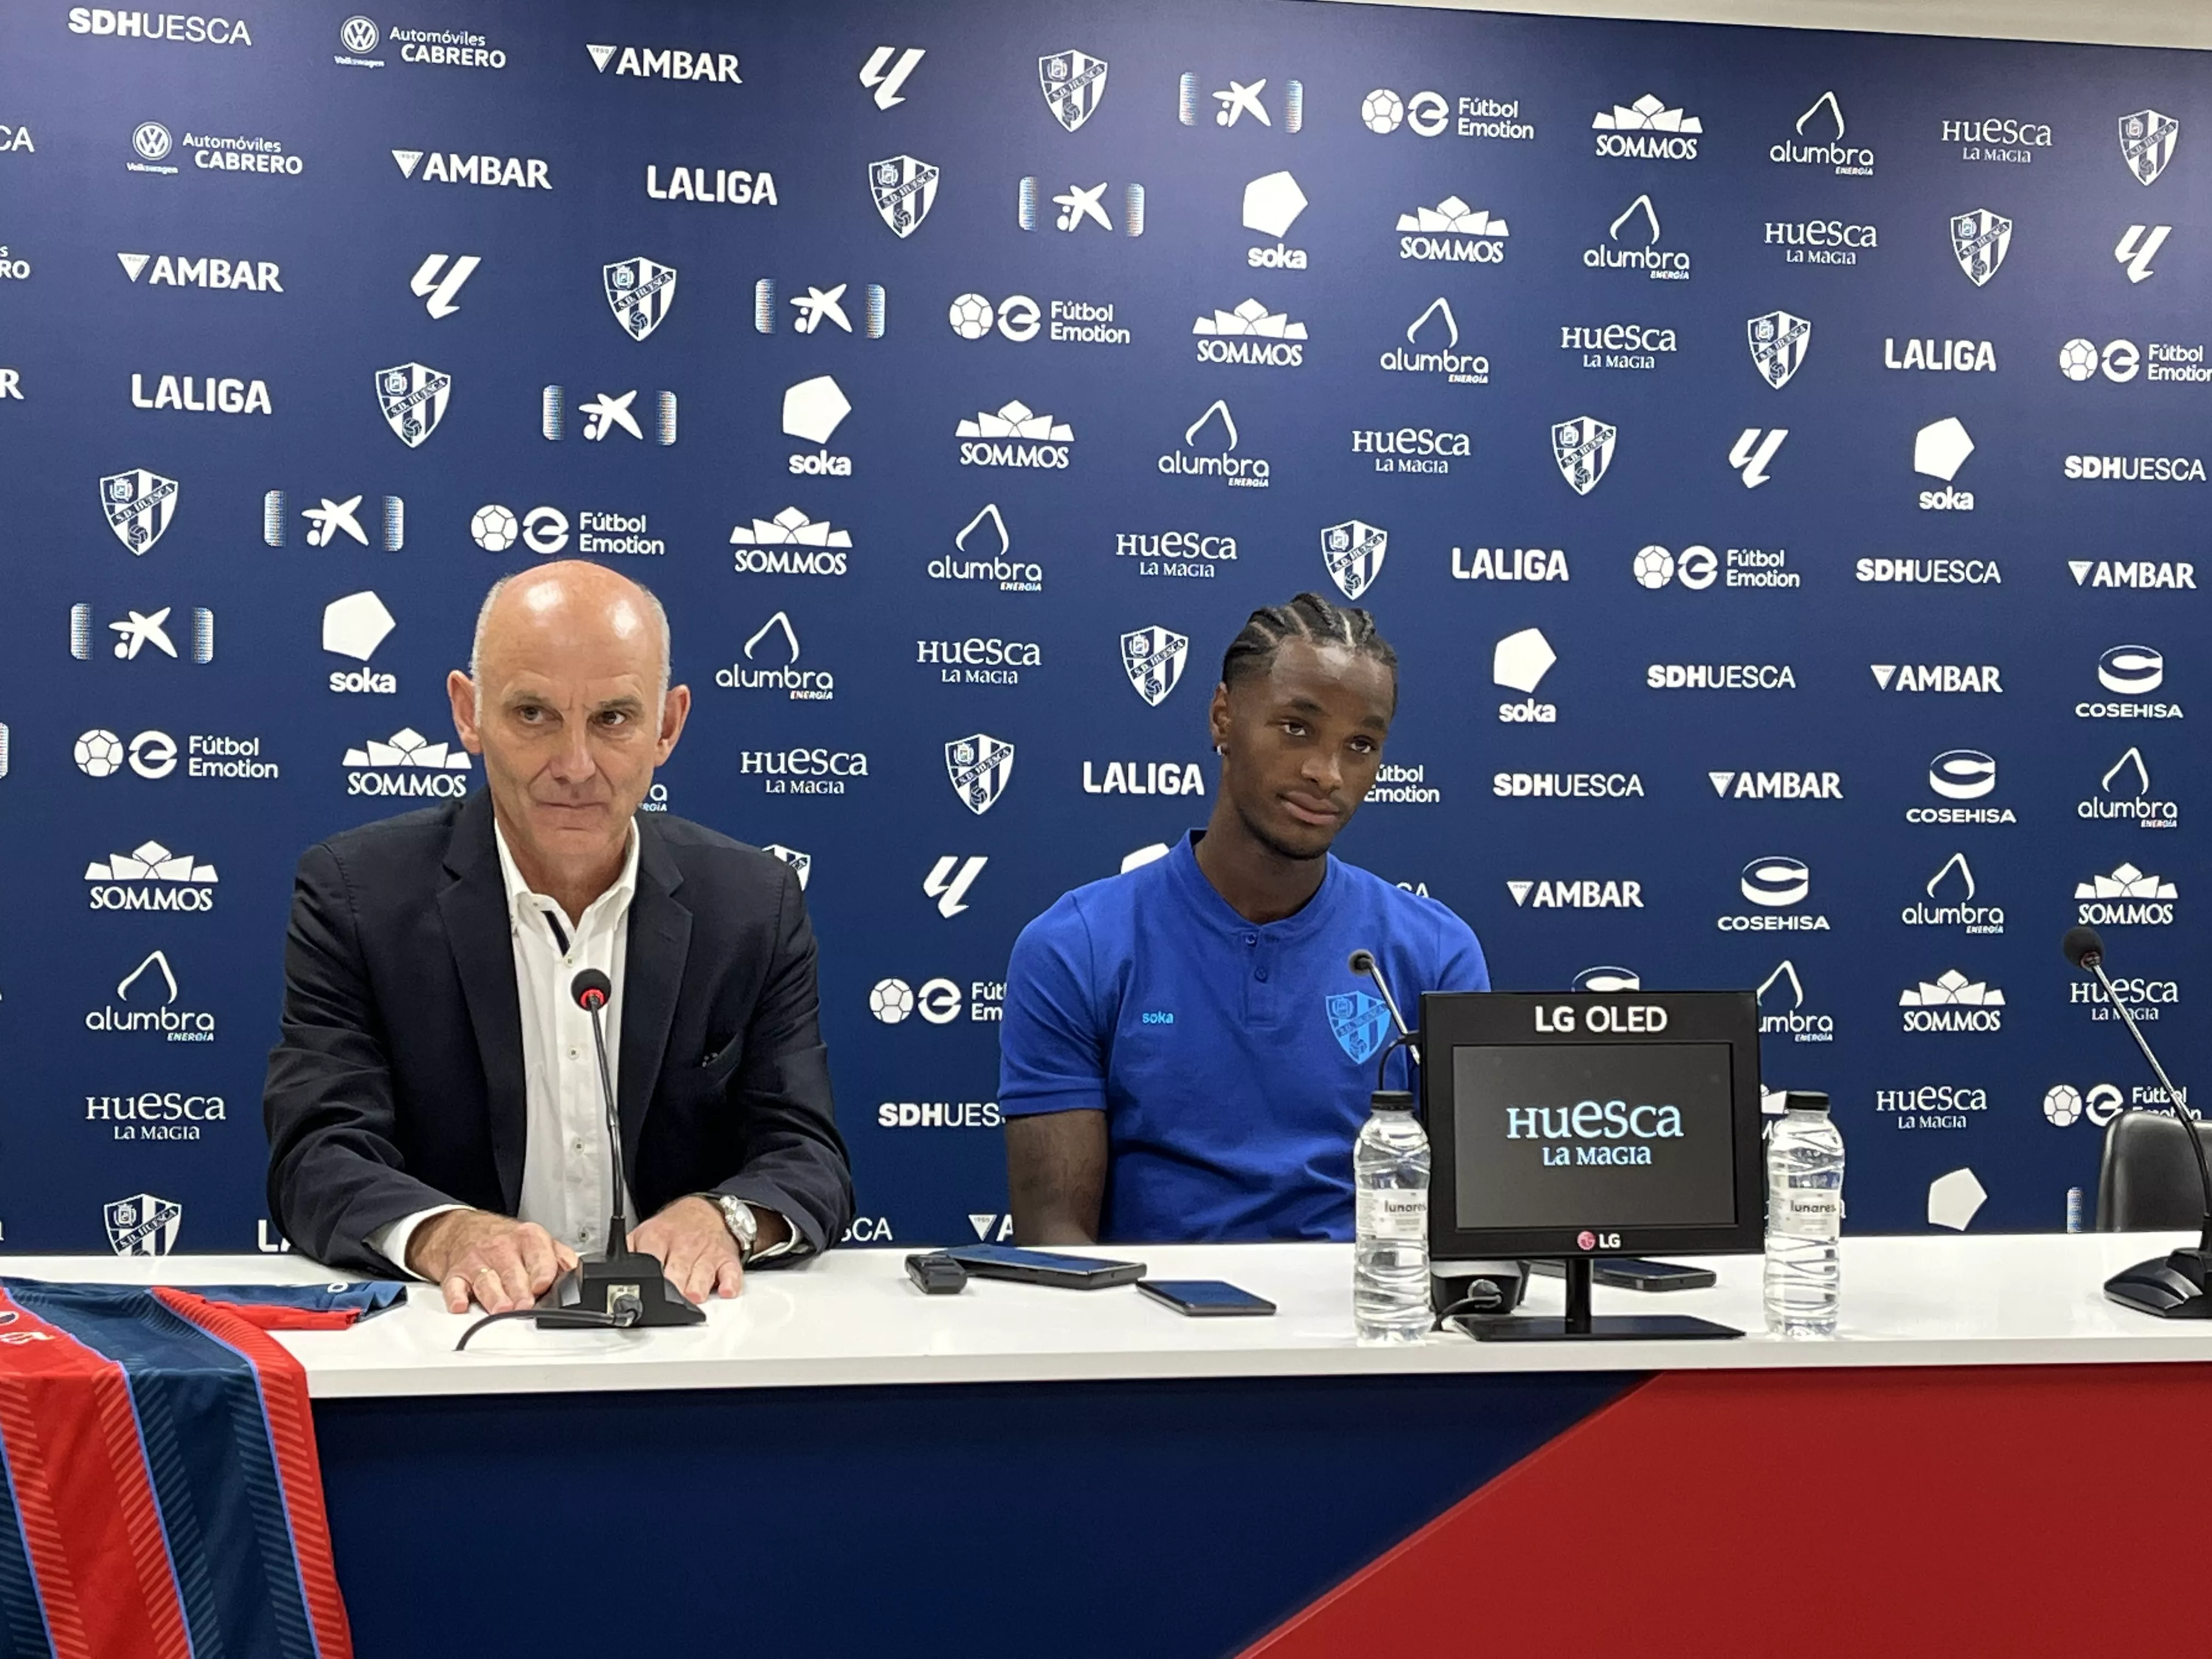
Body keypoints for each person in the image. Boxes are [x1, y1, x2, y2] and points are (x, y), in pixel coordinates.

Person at [264, 562, 851, 1313]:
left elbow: (807, 1156)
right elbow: (316, 1155)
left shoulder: (751, 905)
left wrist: (725, 1220)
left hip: (691, 1339)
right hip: (456, 1334)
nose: (575, 766)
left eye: (613, 719)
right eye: (533, 714)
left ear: (667, 727)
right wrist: (448, 1234)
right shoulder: (357, 895)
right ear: (469, 714)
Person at [997, 593, 1489, 1244]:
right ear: (1223, 717)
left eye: (1361, 744)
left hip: (1368, 1306)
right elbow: (1057, 1239)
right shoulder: (1076, 946)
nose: (1327, 774)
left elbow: (1473, 1231)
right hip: (1147, 1309)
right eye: (1296, 728)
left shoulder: (1436, 950)